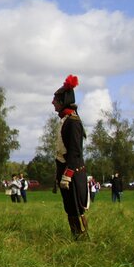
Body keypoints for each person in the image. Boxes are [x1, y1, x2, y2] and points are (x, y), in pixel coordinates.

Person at [53, 75, 89, 240]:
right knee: (69, 208)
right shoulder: (66, 120)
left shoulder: (73, 122)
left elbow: (75, 152)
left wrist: (67, 175)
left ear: (62, 102)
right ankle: (76, 237)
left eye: (55, 99)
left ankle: (82, 239)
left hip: (72, 173)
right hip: (66, 171)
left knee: (76, 208)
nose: (53, 102)